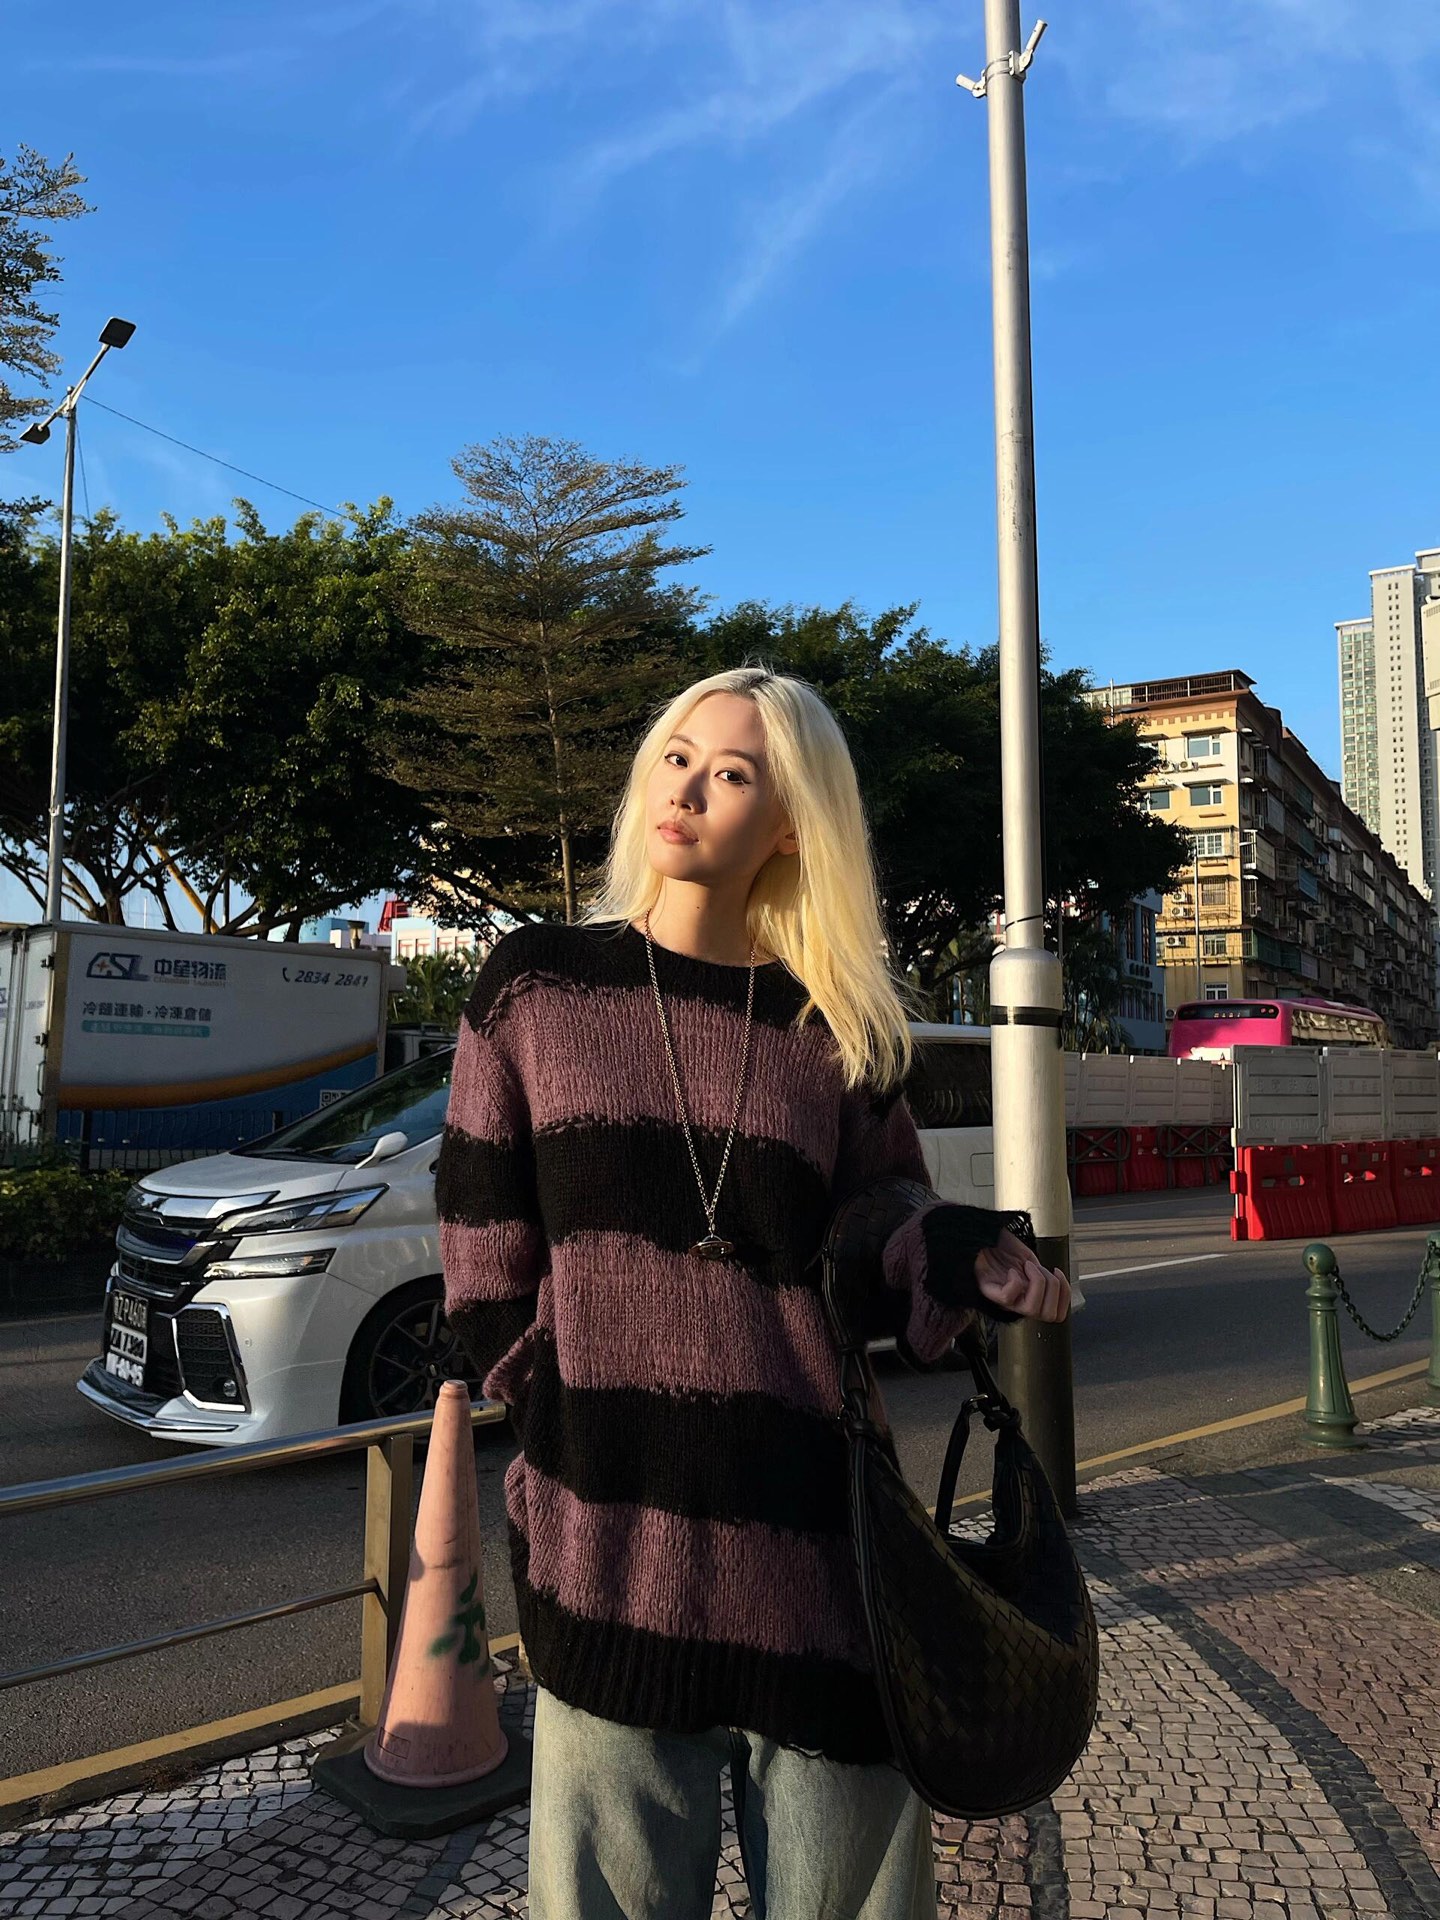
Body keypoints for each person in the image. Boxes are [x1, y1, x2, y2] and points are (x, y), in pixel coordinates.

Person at [435, 664, 1070, 1920]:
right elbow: (482, 1258)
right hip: (612, 1561)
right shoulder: (534, 988)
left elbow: (881, 1225)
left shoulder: (836, 1027)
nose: (687, 790)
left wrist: (955, 1252)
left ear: (789, 825)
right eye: (677, 757)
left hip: (825, 1569)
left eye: (731, 774)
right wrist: (557, 1429)